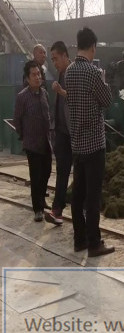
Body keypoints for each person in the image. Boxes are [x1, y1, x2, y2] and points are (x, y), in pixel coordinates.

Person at [65, 27, 114, 257]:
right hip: (94, 144)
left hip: (77, 144)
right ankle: (95, 243)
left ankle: (79, 239)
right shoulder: (93, 73)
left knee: (78, 195)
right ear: (92, 47)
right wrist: (104, 80)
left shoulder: (69, 72)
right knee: (93, 196)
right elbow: (107, 100)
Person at [14, 61, 52, 222]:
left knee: (47, 171)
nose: (38, 77)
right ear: (27, 78)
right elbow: (17, 119)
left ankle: (41, 199)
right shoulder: (22, 97)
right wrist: (24, 137)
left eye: (39, 74)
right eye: (34, 75)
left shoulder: (45, 93)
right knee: (35, 176)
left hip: (45, 141)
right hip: (31, 143)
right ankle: (37, 209)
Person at [45, 41, 72, 226]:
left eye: (56, 59)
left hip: (74, 133)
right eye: (52, 60)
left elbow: (77, 97)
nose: (54, 63)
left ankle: (80, 209)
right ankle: (57, 210)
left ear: (64, 55)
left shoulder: (73, 73)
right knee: (62, 171)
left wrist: (61, 92)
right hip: (62, 132)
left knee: (78, 172)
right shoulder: (61, 73)